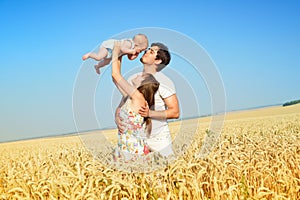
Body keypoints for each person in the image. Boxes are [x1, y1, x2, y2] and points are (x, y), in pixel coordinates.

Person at [115, 42, 180, 157]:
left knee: (167, 172)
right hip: (138, 140)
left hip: (159, 139)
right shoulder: (134, 79)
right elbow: (124, 103)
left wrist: (149, 113)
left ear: (158, 61)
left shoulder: (164, 82)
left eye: (151, 52)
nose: (146, 51)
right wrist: (117, 116)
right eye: (148, 49)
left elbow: (175, 112)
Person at [111, 41, 160, 161]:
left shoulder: (137, 96)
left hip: (133, 152)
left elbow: (115, 75)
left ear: (143, 84)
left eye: (141, 76)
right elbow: (115, 78)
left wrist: (116, 50)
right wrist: (121, 54)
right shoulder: (131, 97)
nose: (137, 76)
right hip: (126, 149)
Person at [82, 34, 148, 74]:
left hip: (112, 54)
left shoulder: (132, 48)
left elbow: (130, 58)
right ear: (136, 44)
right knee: (99, 57)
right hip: (108, 47)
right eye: (141, 50)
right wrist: (131, 51)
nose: (140, 52)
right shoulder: (129, 43)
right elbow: (122, 49)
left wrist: (135, 54)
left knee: (106, 62)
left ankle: (97, 66)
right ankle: (90, 54)